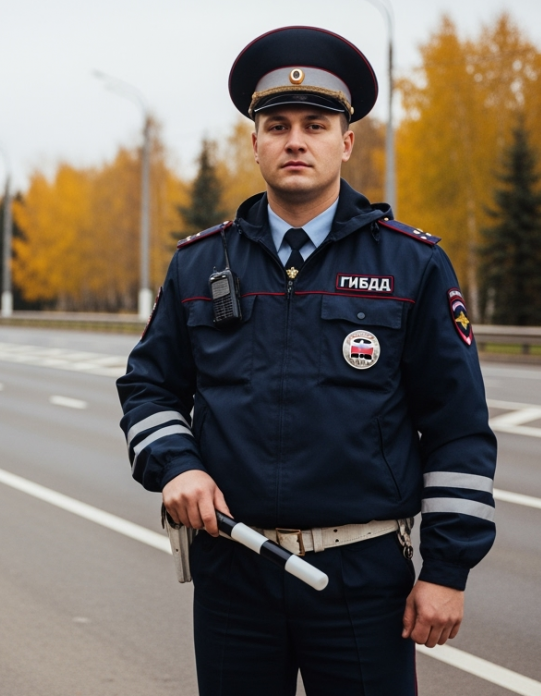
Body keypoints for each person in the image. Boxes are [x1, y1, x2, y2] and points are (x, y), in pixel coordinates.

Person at [116, 26, 497, 695]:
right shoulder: (201, 263)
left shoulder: (413, 265)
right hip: (234, 571)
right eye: (278, 124)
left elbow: (457, 428)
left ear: (345, 142)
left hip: (363, 576)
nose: (296, 139)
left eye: (316, 124)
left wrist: (447, 570)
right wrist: (179, 466)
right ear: (255, 141)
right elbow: (149, 387)